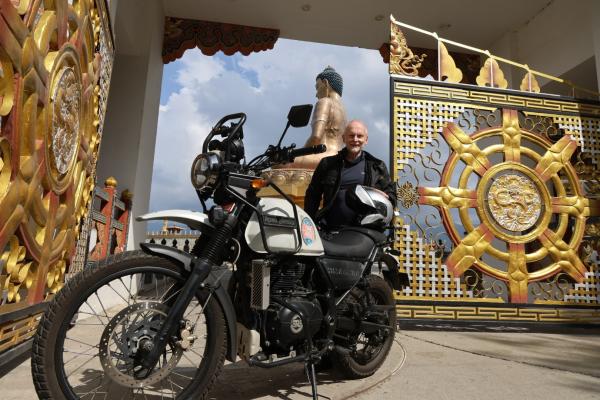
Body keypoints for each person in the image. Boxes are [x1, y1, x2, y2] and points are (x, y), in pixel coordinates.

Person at [304, 120, 396, 230]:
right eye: (351, 136)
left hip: (364, 231)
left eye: (360, 136)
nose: (355, 139)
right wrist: (310, 222)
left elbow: (391, 197)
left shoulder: (377, 166)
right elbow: (313, 195)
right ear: (344, 139)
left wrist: (378, 195)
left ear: (366, 140)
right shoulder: (327, 164)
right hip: (330, 228)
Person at [284, 66, 347, 170]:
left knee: (277, 163)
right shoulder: (344, 110)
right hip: (339, 158)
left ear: (325, 83)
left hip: (323, 157)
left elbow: (316, 138)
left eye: (317, 87)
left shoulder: (325, 102)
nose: (316, 94)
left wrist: (296, 153)